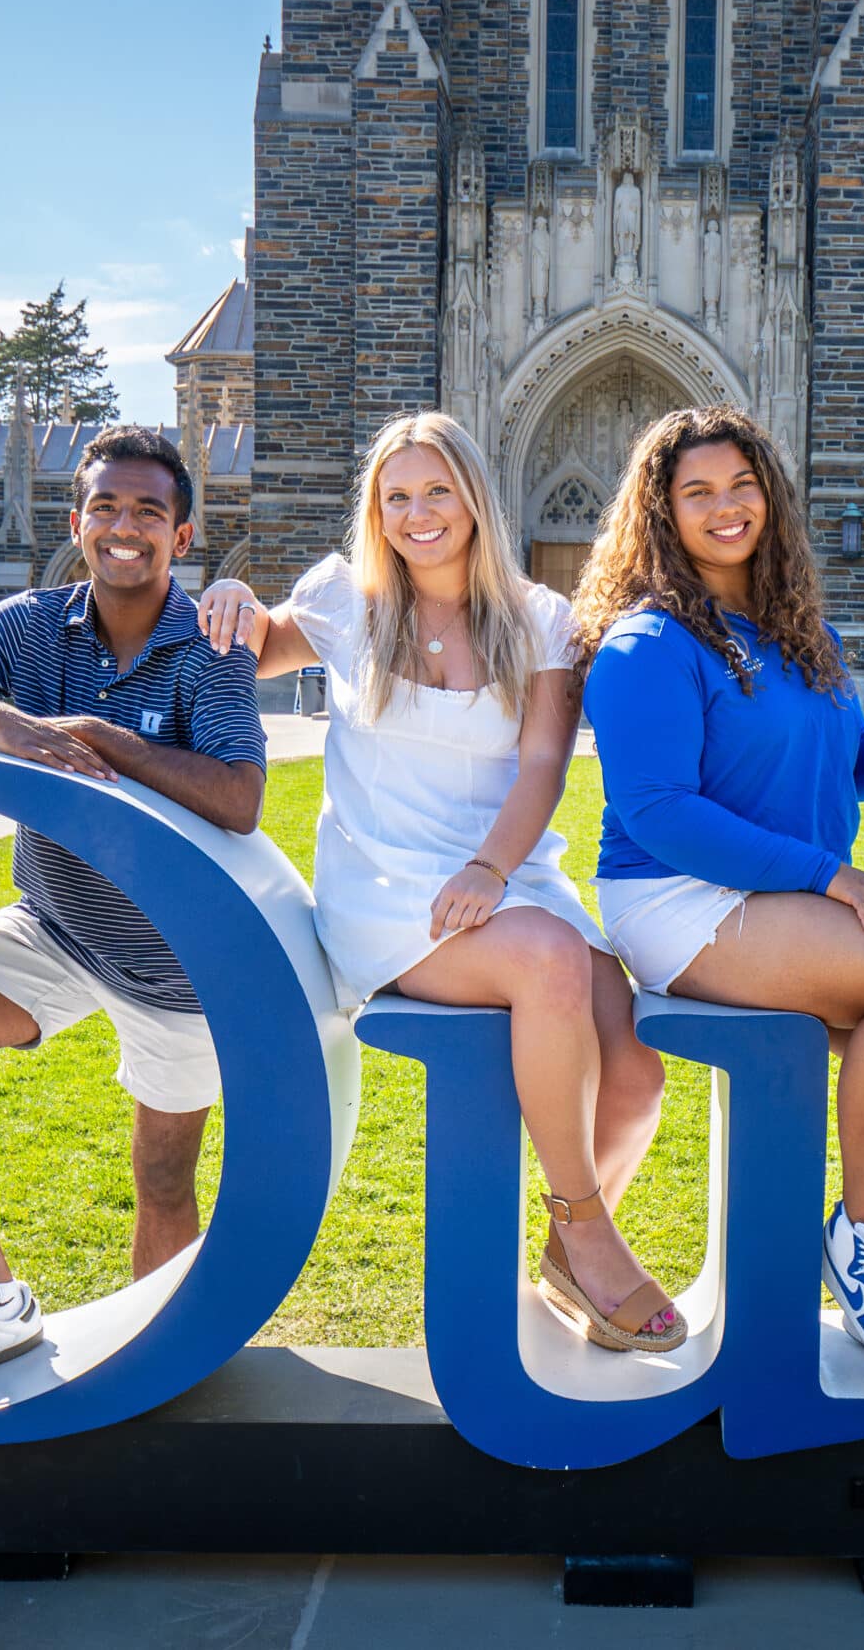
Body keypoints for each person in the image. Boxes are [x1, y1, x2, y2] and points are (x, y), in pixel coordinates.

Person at [573, 404, 864, 1411]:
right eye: (696, 492)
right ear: (661, 513)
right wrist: (830, 878)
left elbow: (840, 770)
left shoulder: (799, 631)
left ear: (768, 496)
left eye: (740, 485)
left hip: (770, 894)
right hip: (676, 895)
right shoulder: (647, 642)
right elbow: (658, 813)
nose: (724, 506)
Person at [196, 412, 683, 1353]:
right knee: (547, 965)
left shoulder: (540, 619)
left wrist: (493, 867)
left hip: (503, 872)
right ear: (375, 512)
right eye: (396, 496)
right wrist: (225, 591)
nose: (418, 514)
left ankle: (561, 1253)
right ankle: (588, 1228)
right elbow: (242, 648)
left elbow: (544, 763)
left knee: (633, 1066)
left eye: (436, 492)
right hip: (384, 886)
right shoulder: (346, 601)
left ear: (473, 498)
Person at [0, 425, 268, 1411]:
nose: (125, 529)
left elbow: (238, 798)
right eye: (106, 508)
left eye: (148, 512)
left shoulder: (207, 647)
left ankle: (157, 1363)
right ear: (76, 521)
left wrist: (97, 736)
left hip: (177, 959)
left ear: (183, 532)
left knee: (163, 1178)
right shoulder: (31, 629)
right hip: (58, 926)